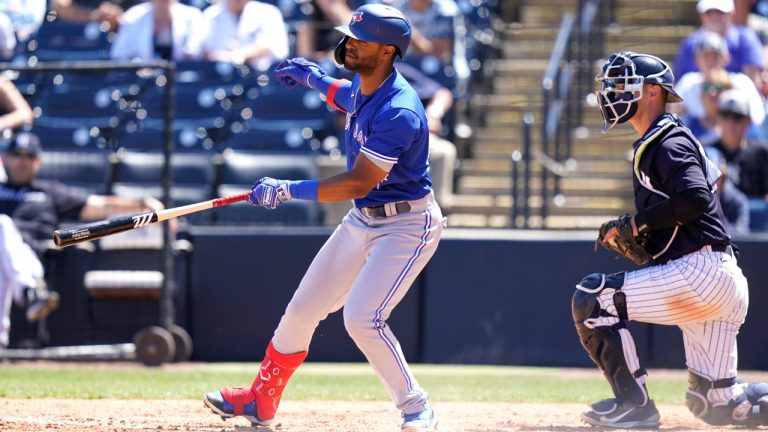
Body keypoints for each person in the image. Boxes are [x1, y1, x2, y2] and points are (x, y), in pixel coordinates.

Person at [203, 4, 444, 431]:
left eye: (360, 41)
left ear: (387, 51)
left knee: (362, 318)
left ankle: (415, 407)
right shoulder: (367, 86)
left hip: (406, 225)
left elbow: (358, 182)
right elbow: (345, 95)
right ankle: (261, 399)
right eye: (349, 36)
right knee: (301, 310)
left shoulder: (400, 110)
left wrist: (287, 189)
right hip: (362, 220)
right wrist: (311, 77)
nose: (348, 45)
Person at [574, 51, 768, 429]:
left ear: (653, 92)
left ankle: (635, 405)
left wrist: (635, 225)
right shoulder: (664, 137)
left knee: (592, 299)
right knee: (714, 405)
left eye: (623, 83)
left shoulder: (666, 140)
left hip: (702, 273)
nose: (612, 91)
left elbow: (694, 198)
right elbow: (684, 216)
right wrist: (644, 237)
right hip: (716, 276)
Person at [0, 131, 165, 348]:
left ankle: (29, 291)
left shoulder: (48, 191)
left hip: (31, 259)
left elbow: (96, 206)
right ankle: (30, 293)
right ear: (4, 158)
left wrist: (140, 203)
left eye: (28, 156)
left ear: (38, 161)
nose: (22, 161)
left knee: (2, 225)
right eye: (16, 154)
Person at [674, 31, 765, 141]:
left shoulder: (742, 82)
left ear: (727, 58)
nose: (711, 61)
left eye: (715, 56)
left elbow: (756, 121)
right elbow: (674, 116)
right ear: (696, 60)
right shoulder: (688, 83)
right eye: (706, 56)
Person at [674, 0, 765, 88]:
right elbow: (678, 85)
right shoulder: (689, 44)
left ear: (731, 14)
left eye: (720, 12)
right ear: (701, 16)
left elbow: (753, 84)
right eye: (709, 12)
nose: (714, 17)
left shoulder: (745, 39)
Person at [198, 0, 288, 71]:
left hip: (260, 76)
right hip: (218, 74)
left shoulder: (268, 12)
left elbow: (275, 49)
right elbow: (203, 51)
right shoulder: (210, 14)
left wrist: (238, 56)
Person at [711, 88, 768, 200]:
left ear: (748, 120)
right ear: (717, 117)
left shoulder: (762, 153)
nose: (730, 123)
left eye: (737, 117)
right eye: (725, 115)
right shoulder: (705, 150)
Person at [109, 0, 202, 62]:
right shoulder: (133, 16)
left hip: (181, 81)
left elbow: (196, 52)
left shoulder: (192, 16)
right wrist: (139, 67)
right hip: (141, 82)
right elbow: (119, 55)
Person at [50, 0, 145, 31]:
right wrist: (93, 16)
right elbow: (59, 6)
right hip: (73, 38)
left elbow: (145, 13)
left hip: (119, 41)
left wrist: (119, 19)